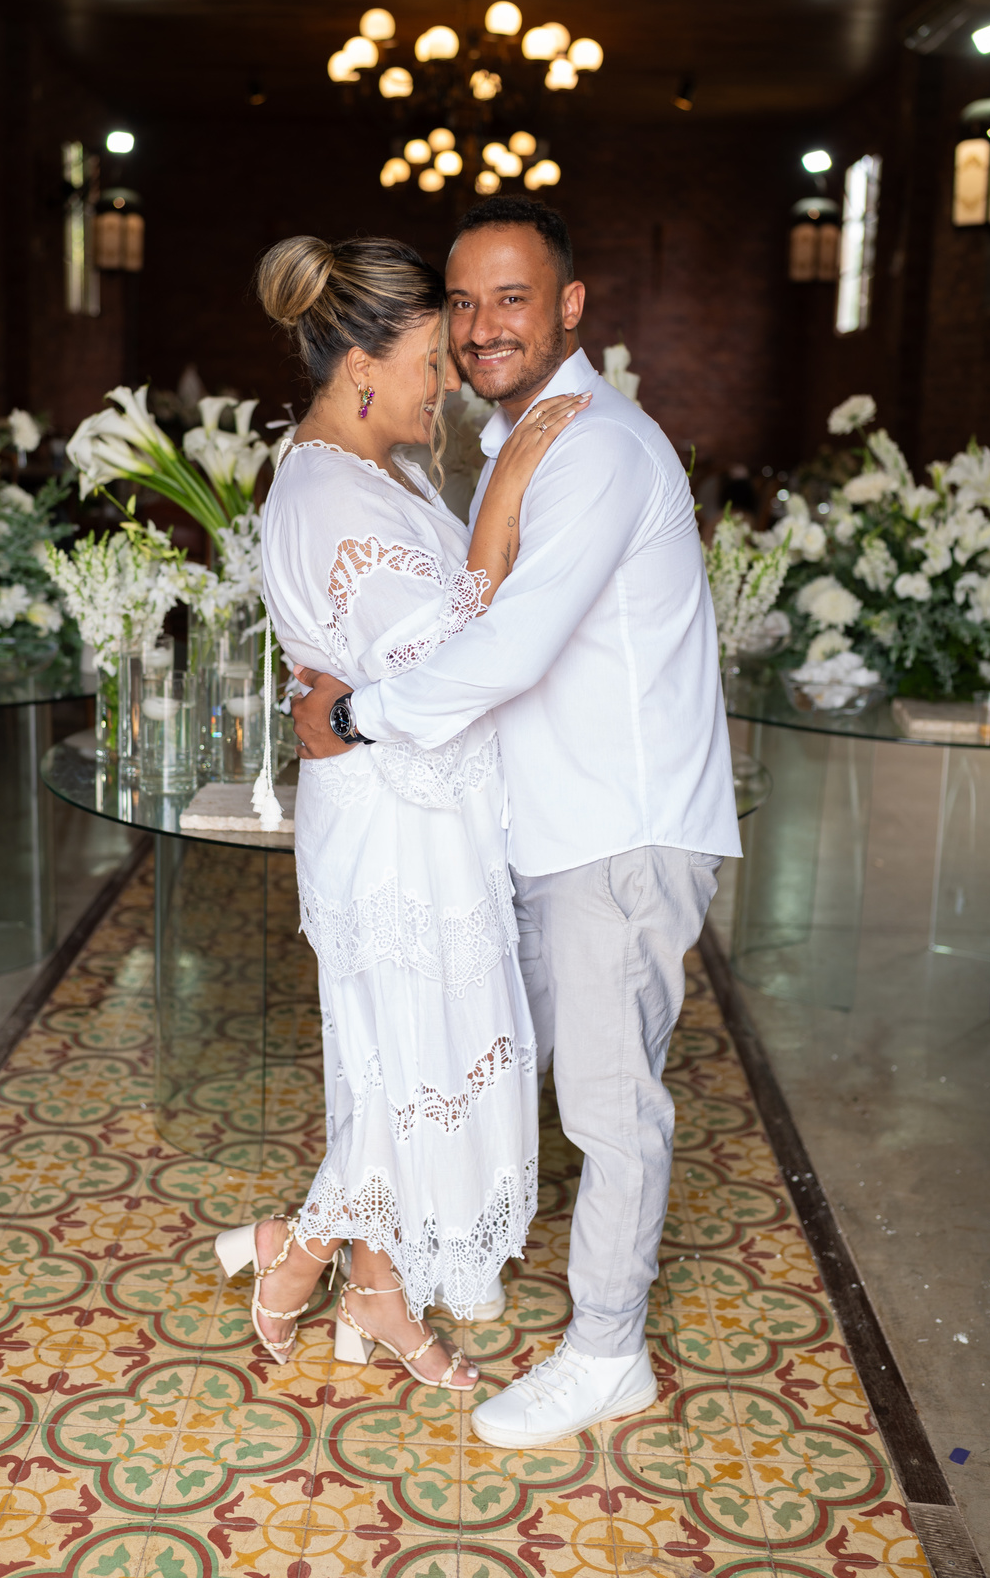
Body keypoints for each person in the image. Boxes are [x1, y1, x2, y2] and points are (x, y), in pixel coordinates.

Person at [290, 196, 740, 1447]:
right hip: (548, 829)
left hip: (617, 832)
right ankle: (390, 1259)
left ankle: (608, 1352)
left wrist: (359, 715)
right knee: (483, 1057)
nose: (484, 326)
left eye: (514, 299)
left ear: (571, 307)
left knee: (606, 1103)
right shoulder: (514, 447)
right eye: (465, 302)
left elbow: (510, 647)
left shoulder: (592, 449)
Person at [214, 233, 590, 1391]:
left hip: (428, 815)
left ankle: (364, 1285)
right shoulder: (326, 489)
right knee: (409, 1069)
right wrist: (508, 493)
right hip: (390, 825)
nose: (449, 381)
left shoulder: (385, 470)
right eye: (432, 359)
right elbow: (452, 660)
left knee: (409, 1062)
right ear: (363, 366)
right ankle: (299, 1254)